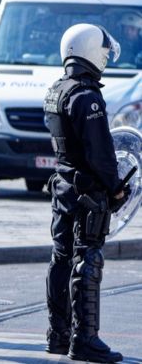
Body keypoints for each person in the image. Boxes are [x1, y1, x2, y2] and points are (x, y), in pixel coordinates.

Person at [43, 23, 130, 363]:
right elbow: (101, 153)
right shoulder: (87, 95)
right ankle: (85, 339)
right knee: (87, 261)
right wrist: (116, 187)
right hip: (88, 194)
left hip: (63, 186)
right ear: (90, 50)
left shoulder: (56, 89)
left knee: (60, 260)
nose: (106, 57)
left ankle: (57, 334)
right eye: (104, 51)